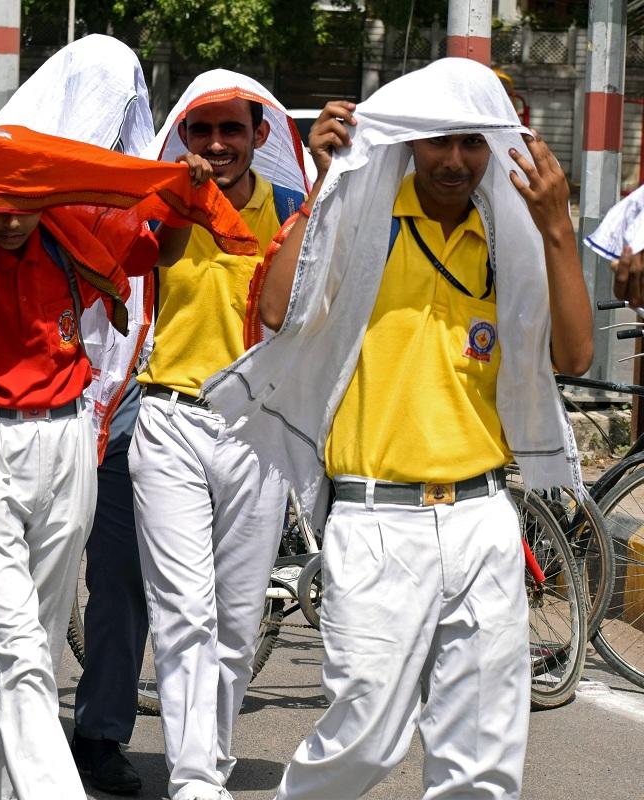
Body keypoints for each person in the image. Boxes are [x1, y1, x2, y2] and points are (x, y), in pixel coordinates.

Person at [206, 58, 591, 799]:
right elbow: (280, 311)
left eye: (472, 143)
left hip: (482, 516)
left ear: (497, 146)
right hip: (378, 522)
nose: (454, 160)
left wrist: (556, 226)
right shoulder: (363, 218)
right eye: (437, 140)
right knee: (367, 737)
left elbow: (571, 355)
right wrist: (325, 186)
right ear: (409, 142)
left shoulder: (509, 240)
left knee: (484, 759)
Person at [0, 147, 211, 798]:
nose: (11, 219)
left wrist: (183, 198)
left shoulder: (75, 235)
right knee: (17, 648)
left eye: (24, 202)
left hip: (70, 438)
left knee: (33, 648)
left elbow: (161, 253)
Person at [130, 70, 309, 800]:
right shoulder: (163, 206)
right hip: (169, 420)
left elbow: (295, 310)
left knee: (236, 621)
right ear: (182, 137)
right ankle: (195, 777)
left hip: (256, 432)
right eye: (201, 130)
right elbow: (161, 260)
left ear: (259, 136)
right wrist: (182, 196)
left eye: (231, 129)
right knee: (184, 615)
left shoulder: (294, 211)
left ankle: (213, 756)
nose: (216, 144)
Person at [0, 33, 158, 795]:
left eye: (128, 99)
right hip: (34, 412)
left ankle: (100, 733)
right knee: (22, 591)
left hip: (123, 414)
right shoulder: (20, 187)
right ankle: (14, 737)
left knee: (119, 580)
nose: (115, 114)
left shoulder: (147, 194)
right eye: (100, 94)